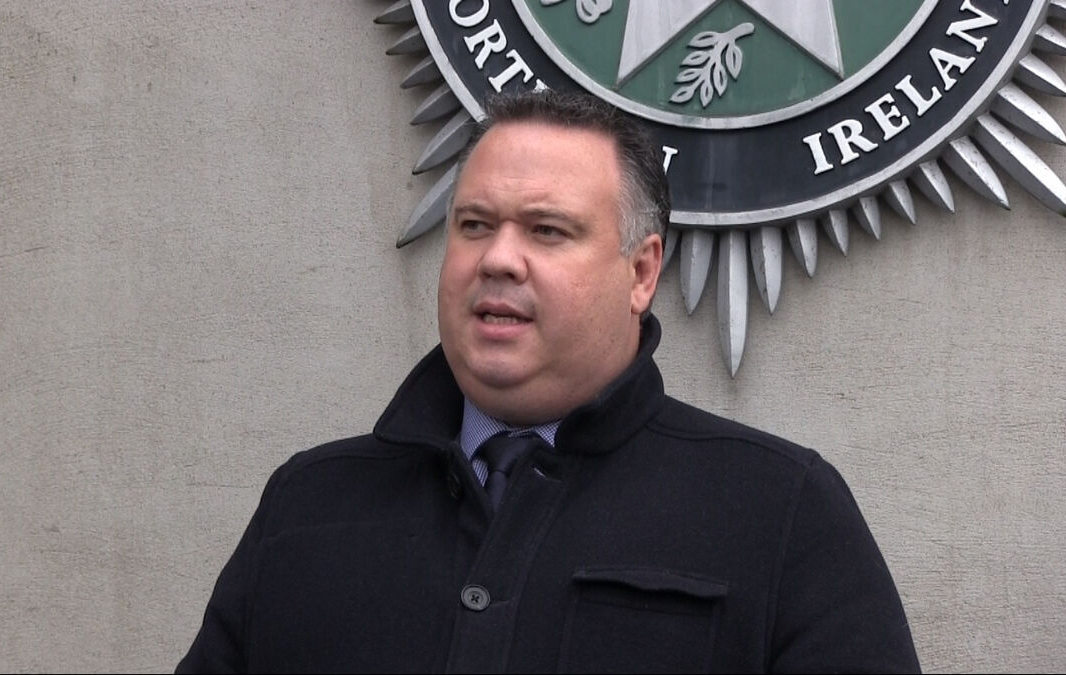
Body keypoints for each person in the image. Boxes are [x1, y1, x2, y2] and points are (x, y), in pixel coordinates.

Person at [177, 90, 921, 673]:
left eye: (547, 230)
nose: (498, 259)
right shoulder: (308, 503)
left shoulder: (780, 511)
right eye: (474, 225)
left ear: (641, 272)